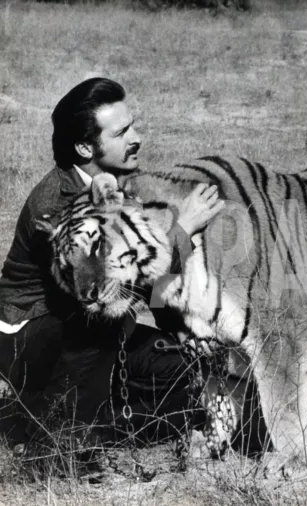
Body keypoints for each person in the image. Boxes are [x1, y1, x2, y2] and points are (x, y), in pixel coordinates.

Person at [0, 78, 218, 452]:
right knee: (98, 326)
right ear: (85, 146)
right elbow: (93, 292)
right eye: (121, 132)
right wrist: (182, 229)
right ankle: (55, 436)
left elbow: (142, 271)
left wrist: (179, 330)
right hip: (31, 332)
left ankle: (81, 420)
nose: (136, 138)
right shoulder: (57, 205)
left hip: (90, 324)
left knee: (182, 368)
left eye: (132, 126)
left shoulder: (116, 184)